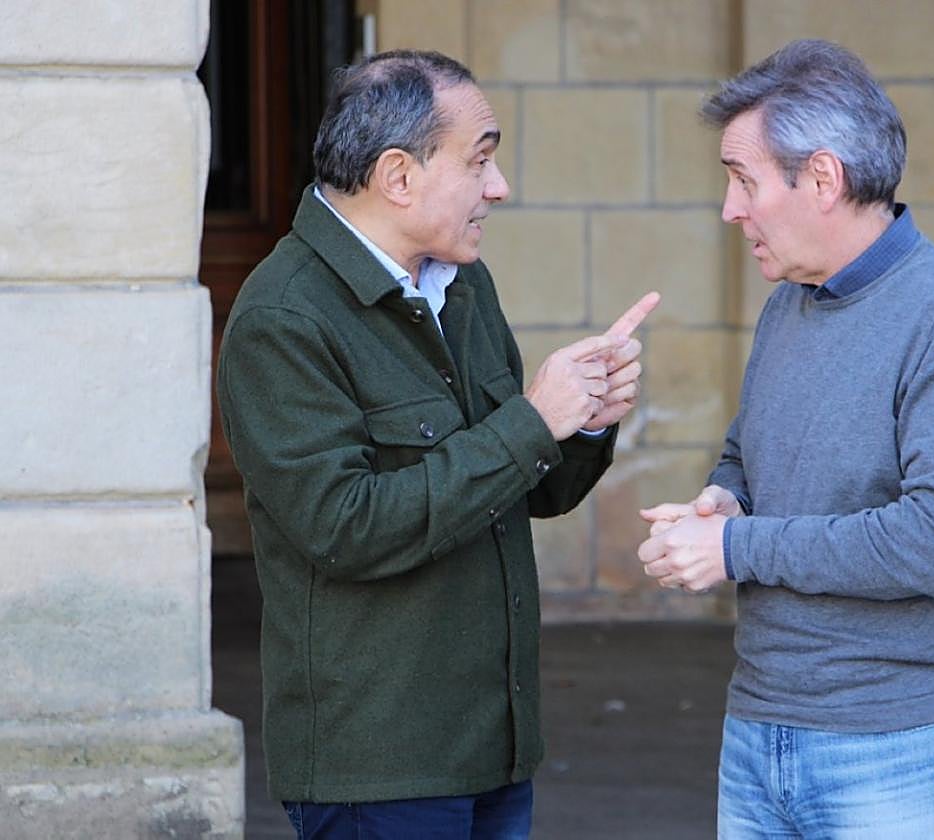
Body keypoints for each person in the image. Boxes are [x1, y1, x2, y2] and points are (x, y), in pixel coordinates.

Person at [217, 49, 658, 839]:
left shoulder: (461, 282)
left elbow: (529, 490)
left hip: (493, 745)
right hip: (378, 767)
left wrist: (586, 417)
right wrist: (531, 421)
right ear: (398, 176)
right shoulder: (284, 318)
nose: (500, 187)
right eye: (479, 161)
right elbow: (345, 527)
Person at [638, 39, 934, 838]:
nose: (730, 209)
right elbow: (746, 456)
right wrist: (723, 500)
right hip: (759, 733)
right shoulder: (790, 301)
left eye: (744, 180)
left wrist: (735, 547)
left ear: (822, 178)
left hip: (909, 743)